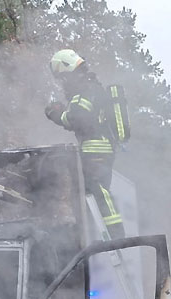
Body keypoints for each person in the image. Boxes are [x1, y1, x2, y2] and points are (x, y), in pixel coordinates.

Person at [45, 49, 124, 239]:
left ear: (67, 70)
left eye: (62, 77)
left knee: (97, 189)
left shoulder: (85, 89)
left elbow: (77, 119)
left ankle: (116, 235)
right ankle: (88, 233)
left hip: (95, 149)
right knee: (86, 191)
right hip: (99, 148)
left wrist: (56, 114)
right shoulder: (89, 88)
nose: (62, 82)